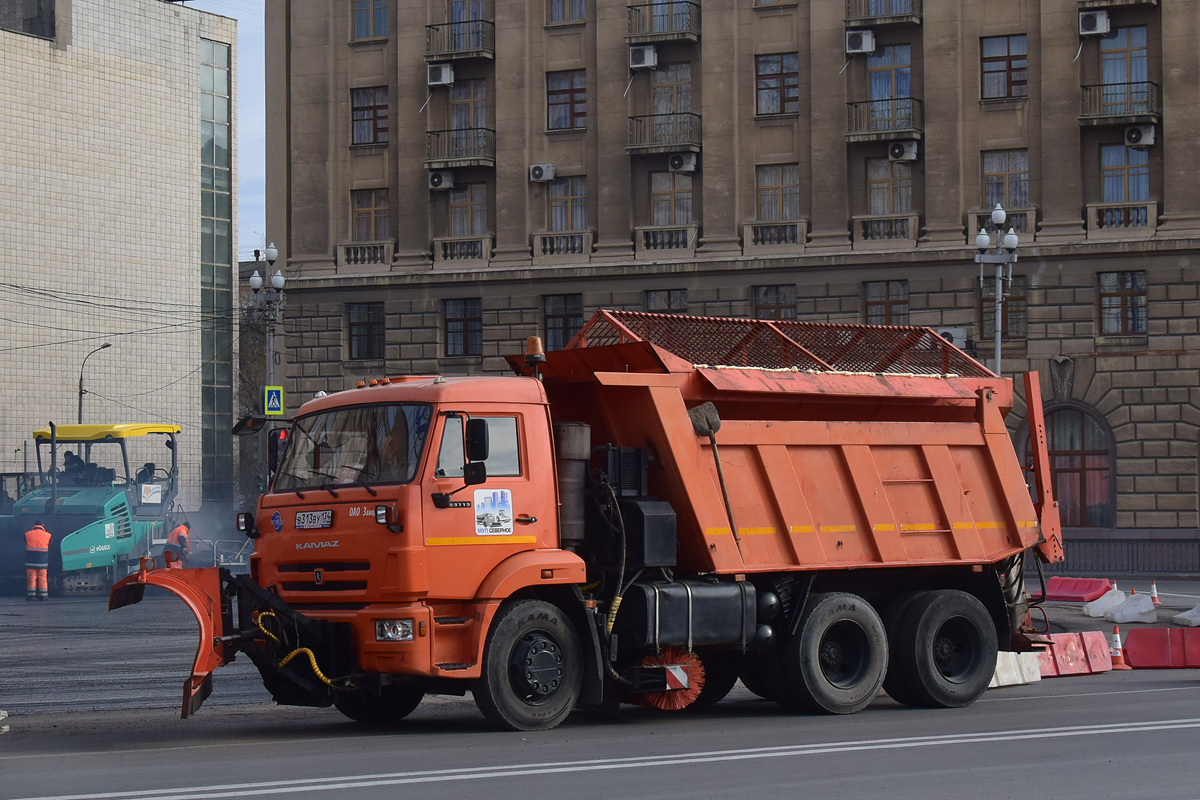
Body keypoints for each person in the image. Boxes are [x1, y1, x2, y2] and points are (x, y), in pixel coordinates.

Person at [24, 520, 51, 601]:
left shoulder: (27, 534)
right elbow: (50, 543)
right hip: (42, 561)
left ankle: (31, 596)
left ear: (34, 525)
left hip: (30, 561)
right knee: (42, 578)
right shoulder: (48, 535)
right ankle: (43, 596)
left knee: (31, 578)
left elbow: (25, 542)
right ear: (42, 526)